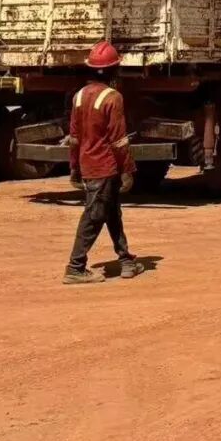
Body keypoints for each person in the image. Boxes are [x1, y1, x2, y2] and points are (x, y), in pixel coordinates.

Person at [63, 40, 144, 284]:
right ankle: (75, 267)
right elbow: (119, 141)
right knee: (94, 215)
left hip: (88, 165)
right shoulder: (113, 98)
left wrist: (74, 168)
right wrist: (128, 170)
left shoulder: (79, 96)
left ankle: (126, 260)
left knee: (111, 212)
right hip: (105, 167)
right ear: (113, 71)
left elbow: (74, 138)